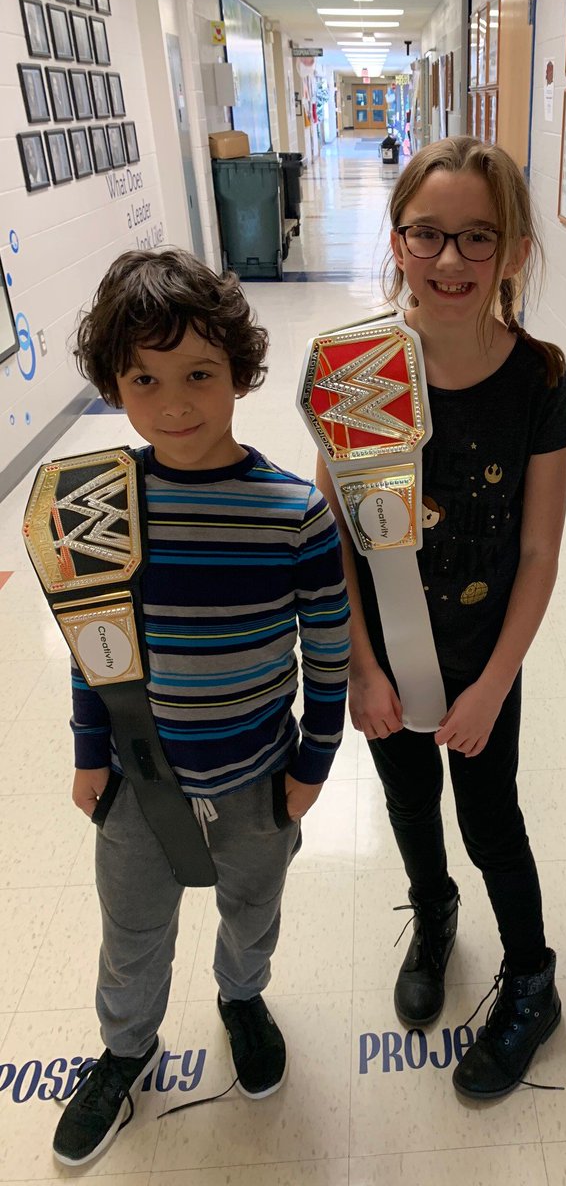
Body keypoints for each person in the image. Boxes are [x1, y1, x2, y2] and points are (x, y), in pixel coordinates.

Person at [51, 249, 350, 1165]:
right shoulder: (99, 508)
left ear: (240, 374)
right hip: (140, 781)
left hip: (259, 772)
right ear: (114, 386)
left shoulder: (292, 511)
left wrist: (313, 765)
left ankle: (241, 995)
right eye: (144, 379)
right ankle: (125, 1048)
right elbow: (92, 643)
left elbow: (329, 652)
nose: (174, 403)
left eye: (199, 375)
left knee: (253, 903)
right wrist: (87, 749)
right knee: (131, 924)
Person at [316, 136, 566, 1100]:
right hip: (383, 660)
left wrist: (496, 683)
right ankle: (433, 913)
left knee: (492, 817)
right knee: (408, 803)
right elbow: (332, 534)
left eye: (479, 237)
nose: (453, 262)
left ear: (514, 249)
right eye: (429, 235)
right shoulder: (359, 371)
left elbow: (543, 552)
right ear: (397, 242)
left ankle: (534, 976)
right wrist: (359, 665)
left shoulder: (541, 378)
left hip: (484, 665)